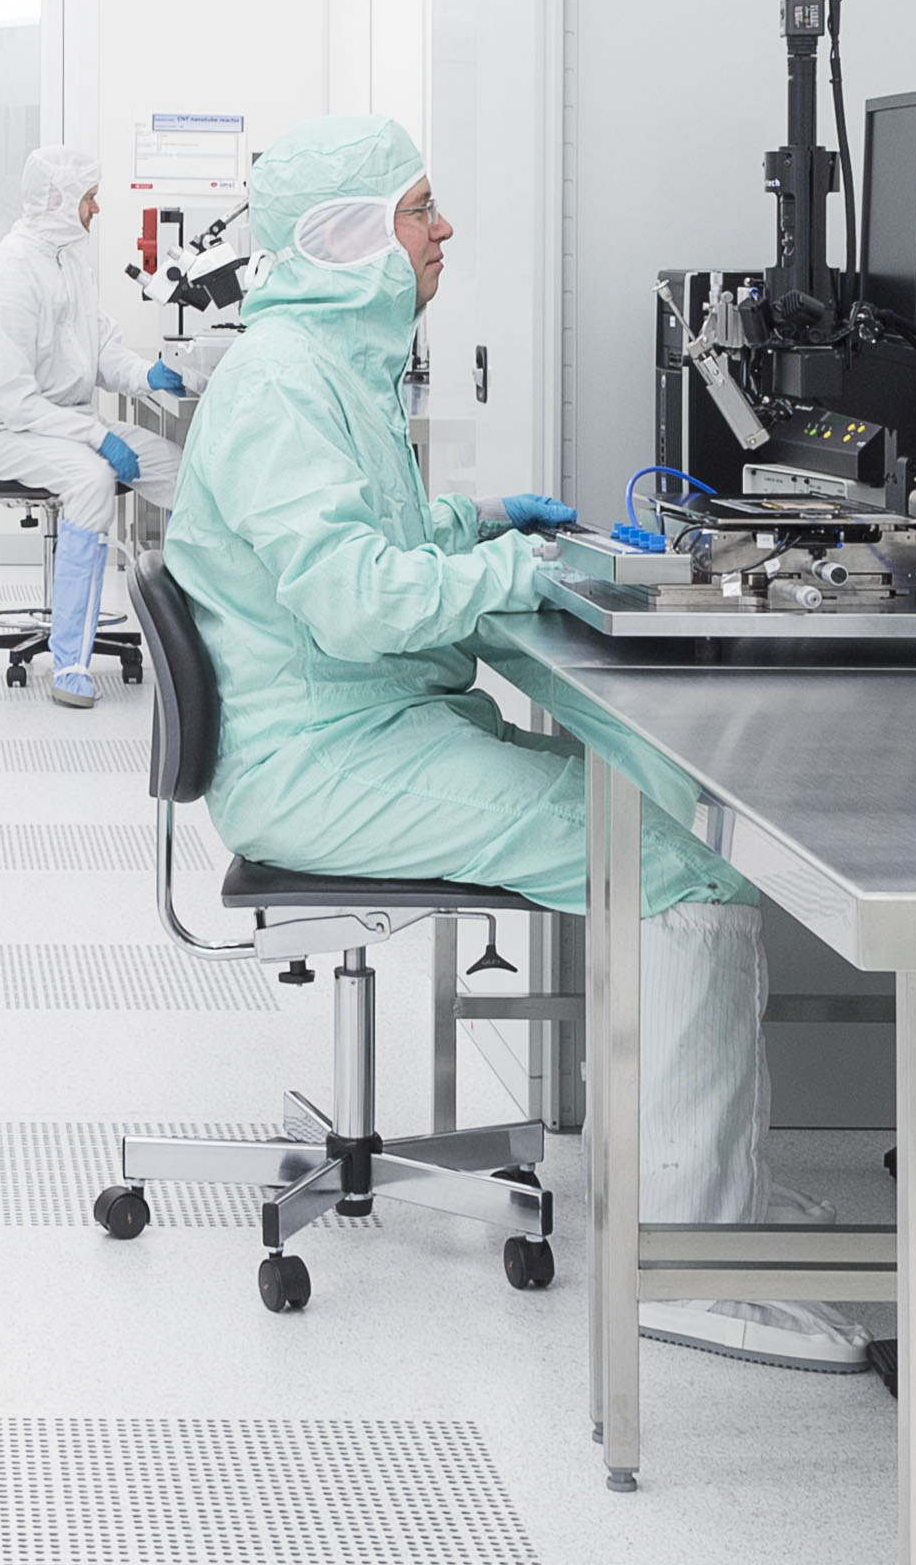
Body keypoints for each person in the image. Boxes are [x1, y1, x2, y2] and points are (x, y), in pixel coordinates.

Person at [160, 112, 792, 1255]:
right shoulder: (281, 386)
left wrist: (486, 521)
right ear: (351, 238)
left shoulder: (327, 371)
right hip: (323, 760)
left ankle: (704, 1182)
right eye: (417, 208)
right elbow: (352, 597)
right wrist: (518, 569)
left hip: (352, 730)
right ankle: (699, 1259)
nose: (443, 227)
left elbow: (369, 536)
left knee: (639, 799)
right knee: (687, 868)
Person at [0, 143, 192, 707]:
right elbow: (16, 404)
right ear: (58, 200)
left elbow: (102, 349)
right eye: (89, 197)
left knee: (188, 473)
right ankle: (70, 663)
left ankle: (210, 623)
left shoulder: (69, 264)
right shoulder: (9, 277)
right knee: (90, 481)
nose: (96, 208)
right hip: (10, 435)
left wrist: (149, 377)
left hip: (69, 424)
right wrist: (99, 438)